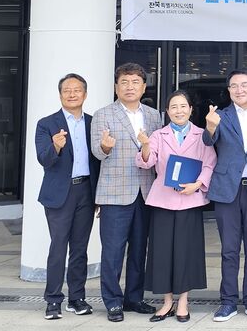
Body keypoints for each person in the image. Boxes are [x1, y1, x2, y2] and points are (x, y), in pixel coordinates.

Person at [135, 90, 217, 323]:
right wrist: (145, 145)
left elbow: (210, 164)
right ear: (167, 111)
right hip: (163, 200)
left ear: (190, 110)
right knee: (162, 252)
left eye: (183, 106)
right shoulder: (158, 135)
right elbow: (147, 162)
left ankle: (183, 301)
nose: (178, 111)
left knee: (186, 251)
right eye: (173, 107)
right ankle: (167, 301)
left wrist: (198, 184)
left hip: (190, 200)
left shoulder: (202, 135)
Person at [91, 63, 163, 322]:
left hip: (146, 192)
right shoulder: (103, 114)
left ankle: (134, 297)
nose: (129, 87)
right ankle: (113, 301)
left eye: (135, 82)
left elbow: (157, 153)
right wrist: (105, 147)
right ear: (116, 87)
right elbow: (97, 153)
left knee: (139, 249)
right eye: (124, 82)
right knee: (112, 251)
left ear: (143, 87)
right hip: (114, 193)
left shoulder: (153, 116)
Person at [203, 68, 247, 323]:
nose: (239, 90)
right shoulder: (220, 116)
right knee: (229, 250)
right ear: (229, 90)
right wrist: (210, 127)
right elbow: (207, 142)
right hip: (227, 190)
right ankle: (228, 302)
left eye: (244, 85)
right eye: (234, 86)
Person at [35, 73, 100, 320]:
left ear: (85, 94)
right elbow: (44, 159)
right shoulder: (46, 124)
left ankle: (77, 298)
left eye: (77, 90)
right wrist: (55, 146)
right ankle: (53, 300)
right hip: (60, 194)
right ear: (60, 94)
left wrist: (98, 195)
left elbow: (98, 160)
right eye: (67, 90)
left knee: (80, 249)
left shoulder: (93, 123)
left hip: (86, 191)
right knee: (58, 247)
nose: (72, 94)